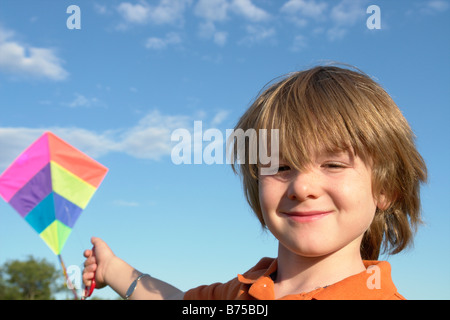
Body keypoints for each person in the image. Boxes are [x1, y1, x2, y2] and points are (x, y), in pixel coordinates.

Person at [82, 65, 427, 300]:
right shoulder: (243, 291)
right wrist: (112, 269)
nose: (302, 187)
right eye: (281, 166)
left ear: (386, 189)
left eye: (333, 164)